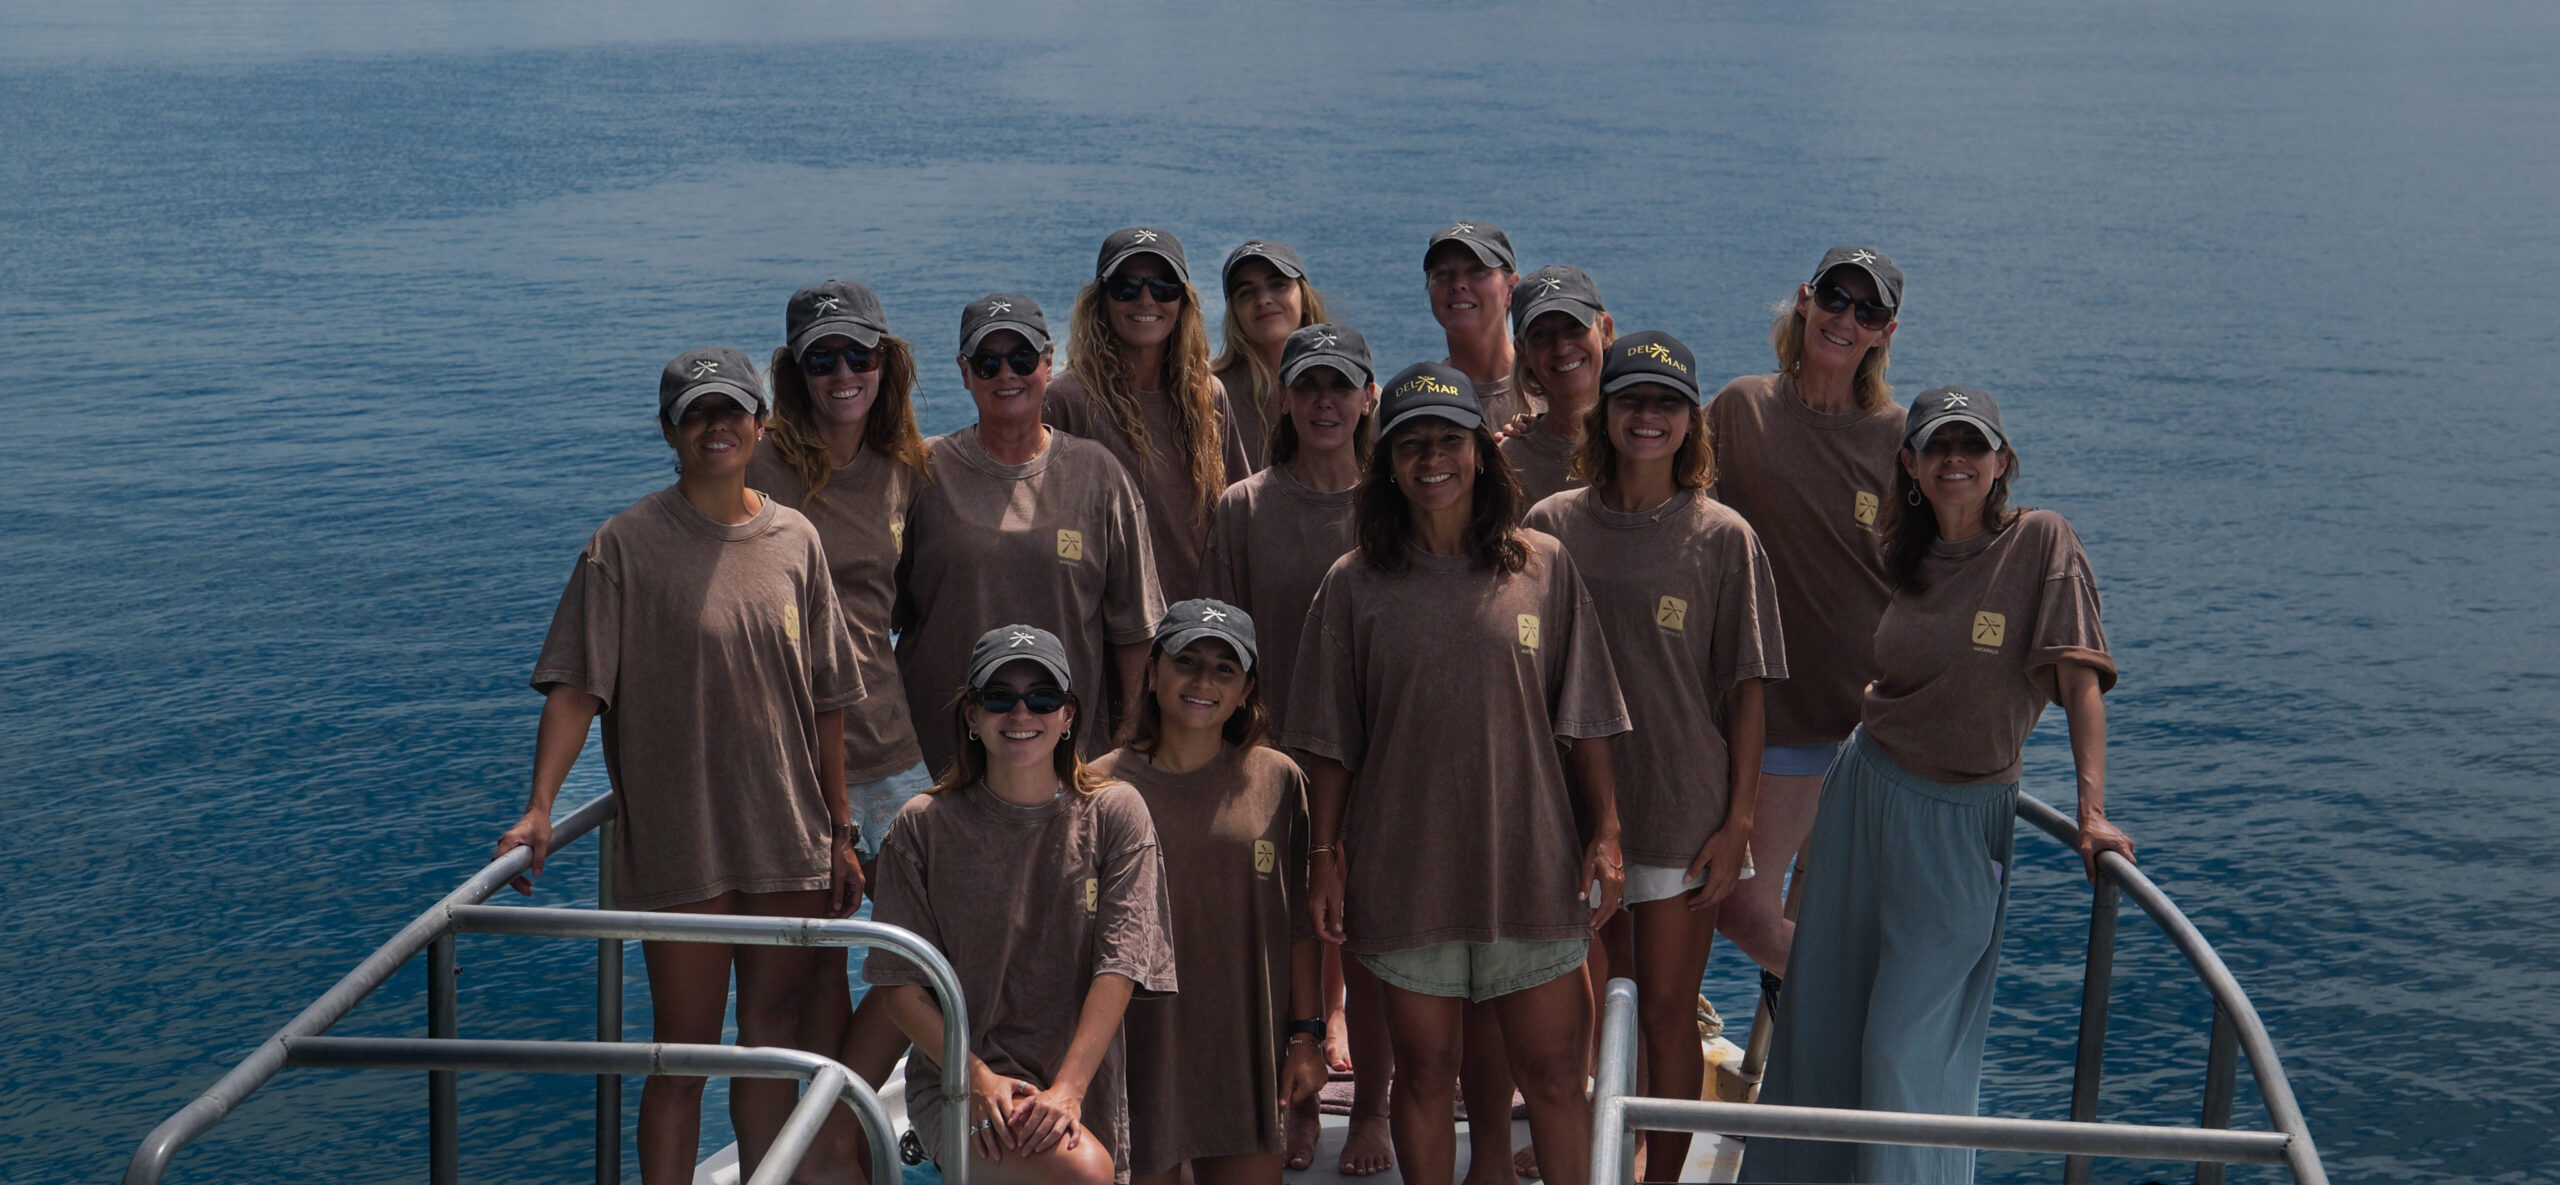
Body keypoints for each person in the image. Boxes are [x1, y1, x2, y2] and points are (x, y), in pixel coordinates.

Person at [1741, 387, 2131, 1184]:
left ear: (2002, 461)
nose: (1956, 459)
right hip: (1864, 795)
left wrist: (2091, 811)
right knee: (1825, 1018)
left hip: (1960, 821)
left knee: (1901, 1049)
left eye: (1973, 444)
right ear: (1911, 465)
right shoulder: (1905, 555)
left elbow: (2080, 681)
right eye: (1938, 445)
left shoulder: (2041, 543)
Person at [495, 347, 864, 1185]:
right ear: (670, 431)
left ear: (761, 423)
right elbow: (576, 690)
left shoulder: (797, 540)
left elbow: (829, 702)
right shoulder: (622, 547)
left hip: (788, 838)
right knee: (681, 1054)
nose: (716, 426)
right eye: (696, 412)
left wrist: (841, 831)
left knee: (770, 1043)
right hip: (682, 842)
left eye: (731, 409)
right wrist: (540, 805)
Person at [1284, 362, 1631, 1185]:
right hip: (1408, 872)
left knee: (1556, 1073)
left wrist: (1608, 832)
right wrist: (1324, 858)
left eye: (1449, 439)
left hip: (1531, 867)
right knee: (1426, 1072)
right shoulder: (1354, 584)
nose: (1432, 458)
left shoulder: (1543, 566)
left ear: (1480, 451)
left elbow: (1585, 716)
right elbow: (1330, 745)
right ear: (1387, 464)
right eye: (1411, 444)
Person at [1522, 331, 1785, 1181]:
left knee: (1669, 1014)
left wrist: (1737, 825)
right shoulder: (1549, 525)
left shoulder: (1724, 537)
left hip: (1681, 813)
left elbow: (1748, 693)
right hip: (1567, 814)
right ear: (1604, 412)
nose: (1647, 416)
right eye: (1631, 398)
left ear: (1691, 420)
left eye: (1667, 403)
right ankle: (1582, 1145)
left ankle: (1659, 1174)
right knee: (1585, 1007)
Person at [864, 624, 1179, 1185]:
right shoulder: (919, 828)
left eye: (1042, 698)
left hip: (1079, 1082)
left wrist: (1068, 1090)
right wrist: (976, 1080)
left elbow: (1121, 965)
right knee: (1084, 1173)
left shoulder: (1116, 814)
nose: (1021, 713)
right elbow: (898, 987)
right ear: (971, 714)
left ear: (1067, 716)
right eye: (999, 697)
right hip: (959, 1085)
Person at [749, 280, 939, 1183]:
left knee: (930, 951)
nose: (841, 373)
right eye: (820, 358)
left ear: (885, 361)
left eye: (857, 354)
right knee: (814, 970)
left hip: (892, 748)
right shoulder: (761, 467)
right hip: (790, 760)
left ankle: (831, 1125)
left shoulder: (905, 467)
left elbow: (906, 604)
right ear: (794, 371)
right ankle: (824, 1158)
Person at [1200, 322, 1396, 1175]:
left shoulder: (1397, 502)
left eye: (1340, 385)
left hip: (1382, 765)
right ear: (1283, 398)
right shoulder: (1244, 507)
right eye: (1307, 385)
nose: (1324, 402)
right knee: (1286, 948)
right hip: (1271, 764)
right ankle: (1300, 1100)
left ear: (1369, 397)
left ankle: (1374, 1109)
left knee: (1373, 947)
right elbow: (1214, 651)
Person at [1705, 246, 1909, 987]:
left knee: (1826, 911)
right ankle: (1868, 999)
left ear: (1885, 332)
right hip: (1775, 722)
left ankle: (1841, 1021)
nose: (1846, 318)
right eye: (1835, 298)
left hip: (1872, 733)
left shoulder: (1901, 439)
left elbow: (1946, 565)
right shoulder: (1741, 410)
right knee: (1742, 909)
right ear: (1804, 299)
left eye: (1868, 310)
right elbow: (1664, 504)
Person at [1103, 600, 1329, 1185]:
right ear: (1153, 671)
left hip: (1243, 1053)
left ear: (1246, 690)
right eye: (1187, 661)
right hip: (1136, 1052)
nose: (1203, 681)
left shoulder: (1279, 779)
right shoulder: (1097, 787)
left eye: (1225, 669)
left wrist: (1307, 1037)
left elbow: (1298, 927)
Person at [896, 294, 1163, 773]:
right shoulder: (922, 472)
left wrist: (1127, 745)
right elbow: (873, 611)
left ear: (1048, 363)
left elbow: (1136, 630)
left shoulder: (1098, 474)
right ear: (964, 372)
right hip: (939, 762)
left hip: (1070, 762)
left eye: (1021, 359)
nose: (1006, 375)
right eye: (988, 363)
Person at [1047, 226, 1252, 602]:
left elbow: (1237, 519)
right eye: (1126, 287)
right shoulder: (1067, 401)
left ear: (1183, 301)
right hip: (1109, 622)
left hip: (1202, 621)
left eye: (1163, 287)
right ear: (1101, 300)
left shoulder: (1207, 396)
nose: (1146, 300)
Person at [1210, 238, 1332, 470]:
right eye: (1246, 292)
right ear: (1234, 313)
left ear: (1304, 298)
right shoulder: (1210, 396)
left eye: (1278, 285)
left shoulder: (1350, 385)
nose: (1263, 300)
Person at [1499, 265, 1614, 505]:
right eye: (1541, 335)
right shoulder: (1507, 464)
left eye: (1574, 327)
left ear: (1605, 331)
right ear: (1523, 352)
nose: (1561, 348)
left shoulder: (1644, 440)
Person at [1422, 220, 1532, 429]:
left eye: (1477, 271)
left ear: (1510, 289)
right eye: (1443, 273)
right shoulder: (1417, 400)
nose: (1458, 285)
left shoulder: (1549, 388)